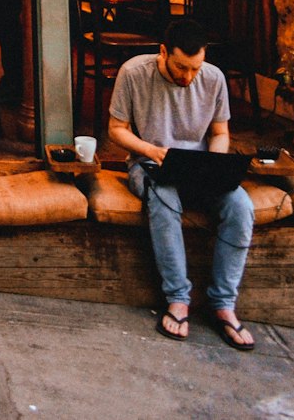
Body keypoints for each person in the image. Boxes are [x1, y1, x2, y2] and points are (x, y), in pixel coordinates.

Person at [108, 17, 256, 350]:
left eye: (195, 69)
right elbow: (116, 129)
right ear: (163, 52)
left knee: (242, 207)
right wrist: (151, 150)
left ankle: (223, 304)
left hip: (200, 165)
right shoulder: (134, 72)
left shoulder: (213, 78)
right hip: (148, 162)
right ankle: (178, 299)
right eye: (180, 68)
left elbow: (220, 133)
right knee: (164, 199)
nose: (188, 77)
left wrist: (215, 165)